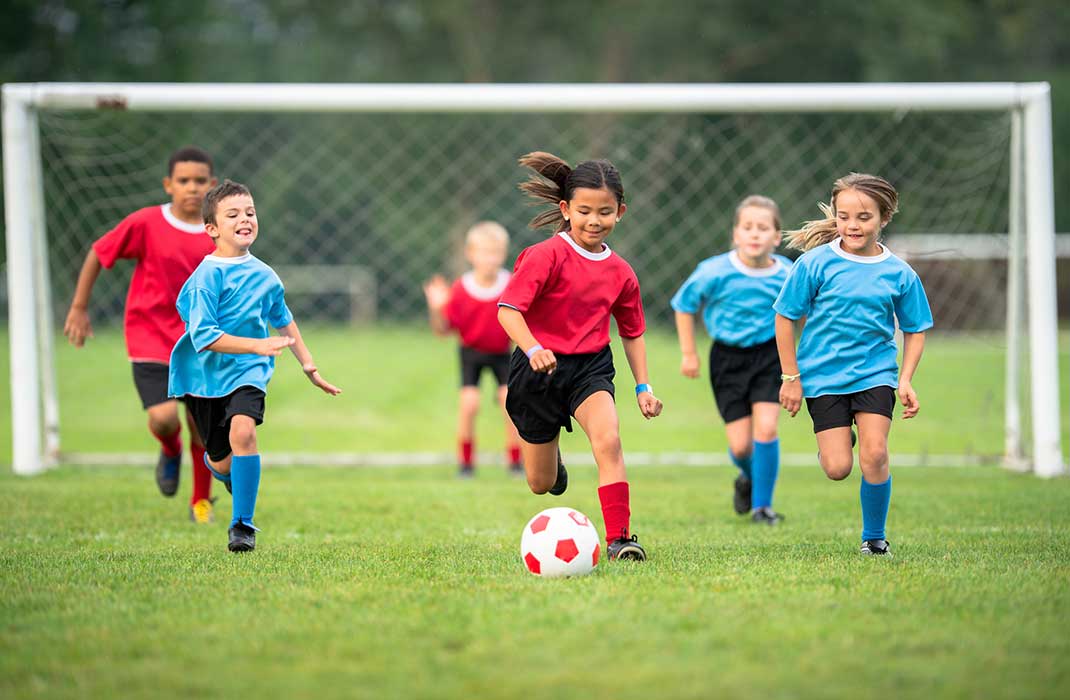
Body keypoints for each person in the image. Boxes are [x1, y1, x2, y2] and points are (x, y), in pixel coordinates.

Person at [498, 151, 663, 562]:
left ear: (620, 212)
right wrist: (534, 347)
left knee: (609, 441)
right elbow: (508, 311)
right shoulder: (544, 256)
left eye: (604, 212)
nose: (594, 220)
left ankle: (620, 539)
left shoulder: (622, 272)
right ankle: (553, 459)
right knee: (540, 483)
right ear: (565, 209)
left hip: (589, 368)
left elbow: (632, 332)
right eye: (584, 210)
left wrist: (643, 386)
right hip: (537, 369)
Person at [168, 180, 341, 552]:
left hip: (248, 372)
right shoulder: (206, 278)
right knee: (222, 461)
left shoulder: (265, 275)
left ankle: (242, 525)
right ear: (212, 228)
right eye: (232, 214)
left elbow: (283, 317)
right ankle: (228, 473)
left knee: (244, 433)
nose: (244, 219)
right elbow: (206, 337)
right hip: (203, 377)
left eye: (249, 212)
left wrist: (308, 363)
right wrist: (258, 344)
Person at [773, 173, 932, 556]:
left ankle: (874, 539)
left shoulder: (899, 273)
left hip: (875, 374)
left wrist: (906, 380)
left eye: (863, 217)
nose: (852, 225)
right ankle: (839, 440)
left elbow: (916, 328)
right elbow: (783, 317)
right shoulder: (814, 264)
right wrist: (790, 377)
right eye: (844, 216)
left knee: (875, 454)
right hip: (823, 378)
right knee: (837, 467)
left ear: (884, 218)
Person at [63, 146, 219, 523]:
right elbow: (99, 253)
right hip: (149, 337)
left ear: (212, 186)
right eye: (184, 181)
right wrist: (80, 307)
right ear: (168, 185)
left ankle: (200, 503)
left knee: (204, 427)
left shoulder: (221, 231)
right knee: (166, 418)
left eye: (200, 181)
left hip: (201, 342)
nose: (192, 188)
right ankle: (169, 447)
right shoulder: (146, 223)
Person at [671, 195, 791, 524]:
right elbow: (683, 305)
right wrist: (688, 353)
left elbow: (803, 314)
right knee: (740, 448)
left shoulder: (788, 275)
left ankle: (762, 508)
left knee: (766, 430)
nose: (755, 234)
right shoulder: (713, 271)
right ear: (735, 234)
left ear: (777, 237)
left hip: (769, 355)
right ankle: (748, 478)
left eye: (763, 228)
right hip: (726, 359)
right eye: (747, 227)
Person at [423, 222, 523, 477]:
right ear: (470, 253)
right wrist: (436, 308)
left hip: (503, 353)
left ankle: (515, 462)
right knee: (469, 404)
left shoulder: (511, 285)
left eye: (496, 252)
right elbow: (441, 330)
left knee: (508, 401)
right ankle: (466, 464)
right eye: (485, 252)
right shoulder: (460, 289)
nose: (491, 259)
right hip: (471, 354)